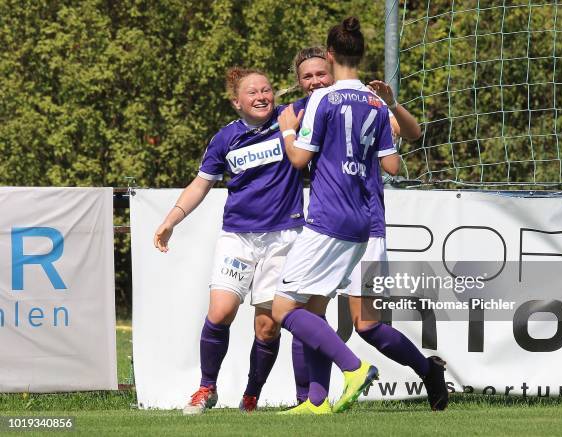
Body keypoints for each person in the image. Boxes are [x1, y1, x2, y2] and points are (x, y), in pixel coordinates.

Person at [287, 46, 449, 411]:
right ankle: (314, 400)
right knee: (311, 314)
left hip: (367, 225)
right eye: (306, 77)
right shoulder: (305, 109)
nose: (315, 81)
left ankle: (427, 370)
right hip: (328, 224)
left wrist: (391, 104)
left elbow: (412, 132)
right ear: (299, 83)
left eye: (319, 74)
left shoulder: (362, 103)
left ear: (331, 68)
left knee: (367, 325)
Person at [153, 67, 304, 414]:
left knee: (267, 327)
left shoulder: (289, 118)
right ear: (237, 101)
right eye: (252, 92)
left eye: (266, 89)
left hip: (284, 237)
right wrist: (170, 220)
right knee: (220, 313)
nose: (262, 96)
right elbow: (201, 184)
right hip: (237, 237)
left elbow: (322, 92)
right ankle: (206, 388)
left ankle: (251, 396)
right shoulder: (225, 139)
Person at [271, 16, 399, 414]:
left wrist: (288, 130)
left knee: (283, 310)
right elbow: (392, 165)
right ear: (362, 54)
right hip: (363, 223)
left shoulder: (324, 99)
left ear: (330, 56)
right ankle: (316, 401)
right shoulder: (377, 103)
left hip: (327, 218)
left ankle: (354, 368)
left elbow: (297, 159)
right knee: (312, 310)